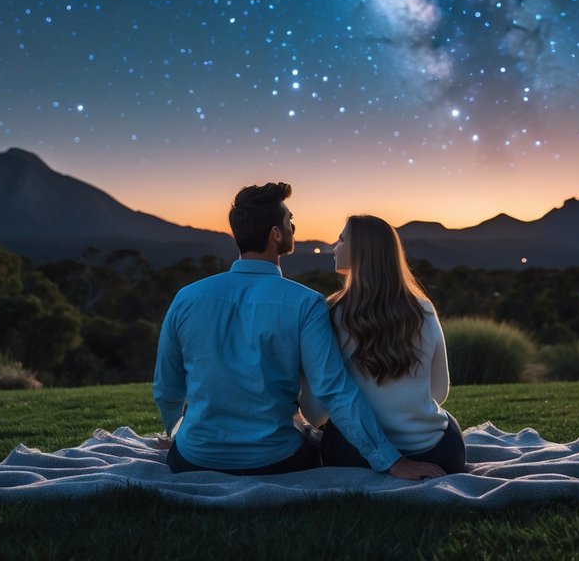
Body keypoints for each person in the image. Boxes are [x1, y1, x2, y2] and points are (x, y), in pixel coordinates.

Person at [152, 182, 445, 480]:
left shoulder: (186, 298)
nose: (294, 225)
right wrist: (390, 460)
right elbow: (334, 390)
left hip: (195, 459)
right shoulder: (306, 304)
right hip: (276, 460)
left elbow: (166, 388)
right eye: (289, 219)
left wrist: (176, 432)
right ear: (276, 234)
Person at [299, 215, 467, 474]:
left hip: (353, 456)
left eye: (342, 240)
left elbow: (316, 412)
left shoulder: (331, 313)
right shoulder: (423, 309)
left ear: (361, 252)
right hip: (438, 454)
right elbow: (438, 392)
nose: (335, 247)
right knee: (448, 421)